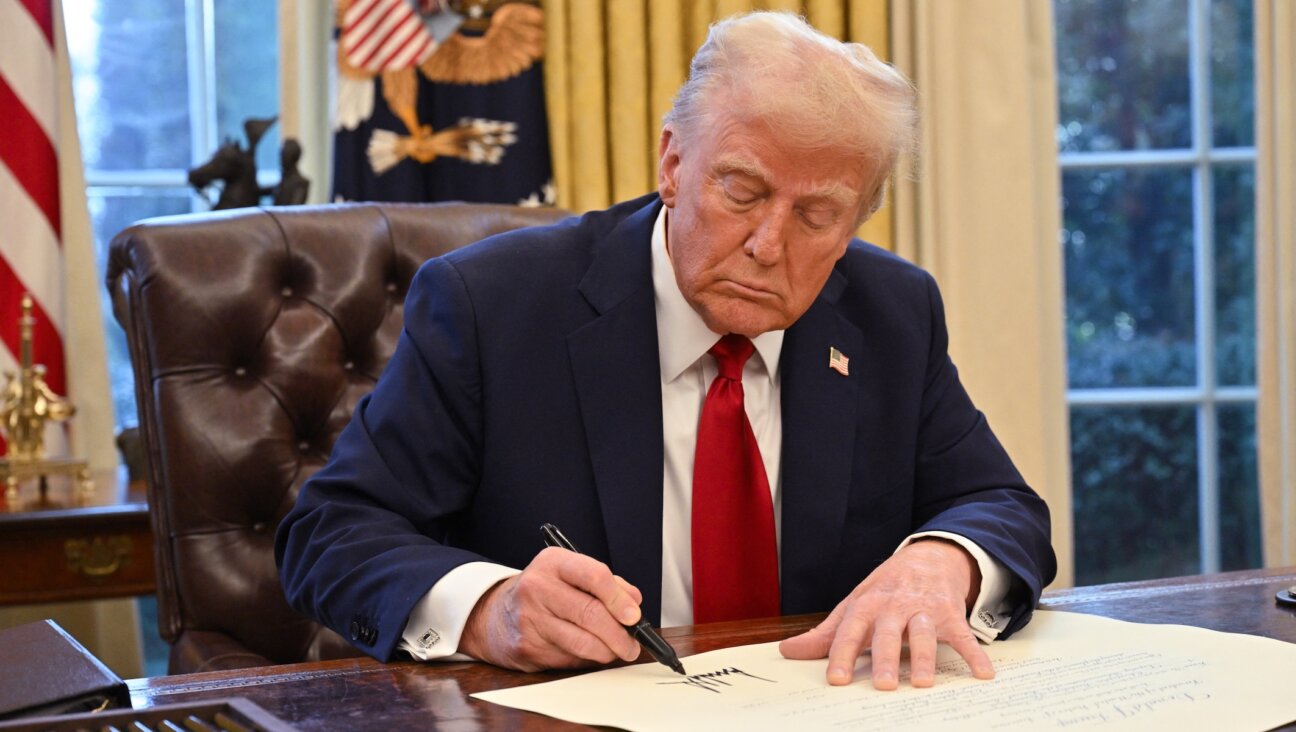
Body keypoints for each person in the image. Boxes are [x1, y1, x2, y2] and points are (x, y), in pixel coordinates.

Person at [276, 10, 1055, 691]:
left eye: (817, 215)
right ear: (673, 163)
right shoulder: (493, 306)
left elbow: (1001, 505)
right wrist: (488, 609)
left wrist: (942, 561)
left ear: (857, 221)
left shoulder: (892, 312)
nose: (765, 244)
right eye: (742, 191)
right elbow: (332, 533)